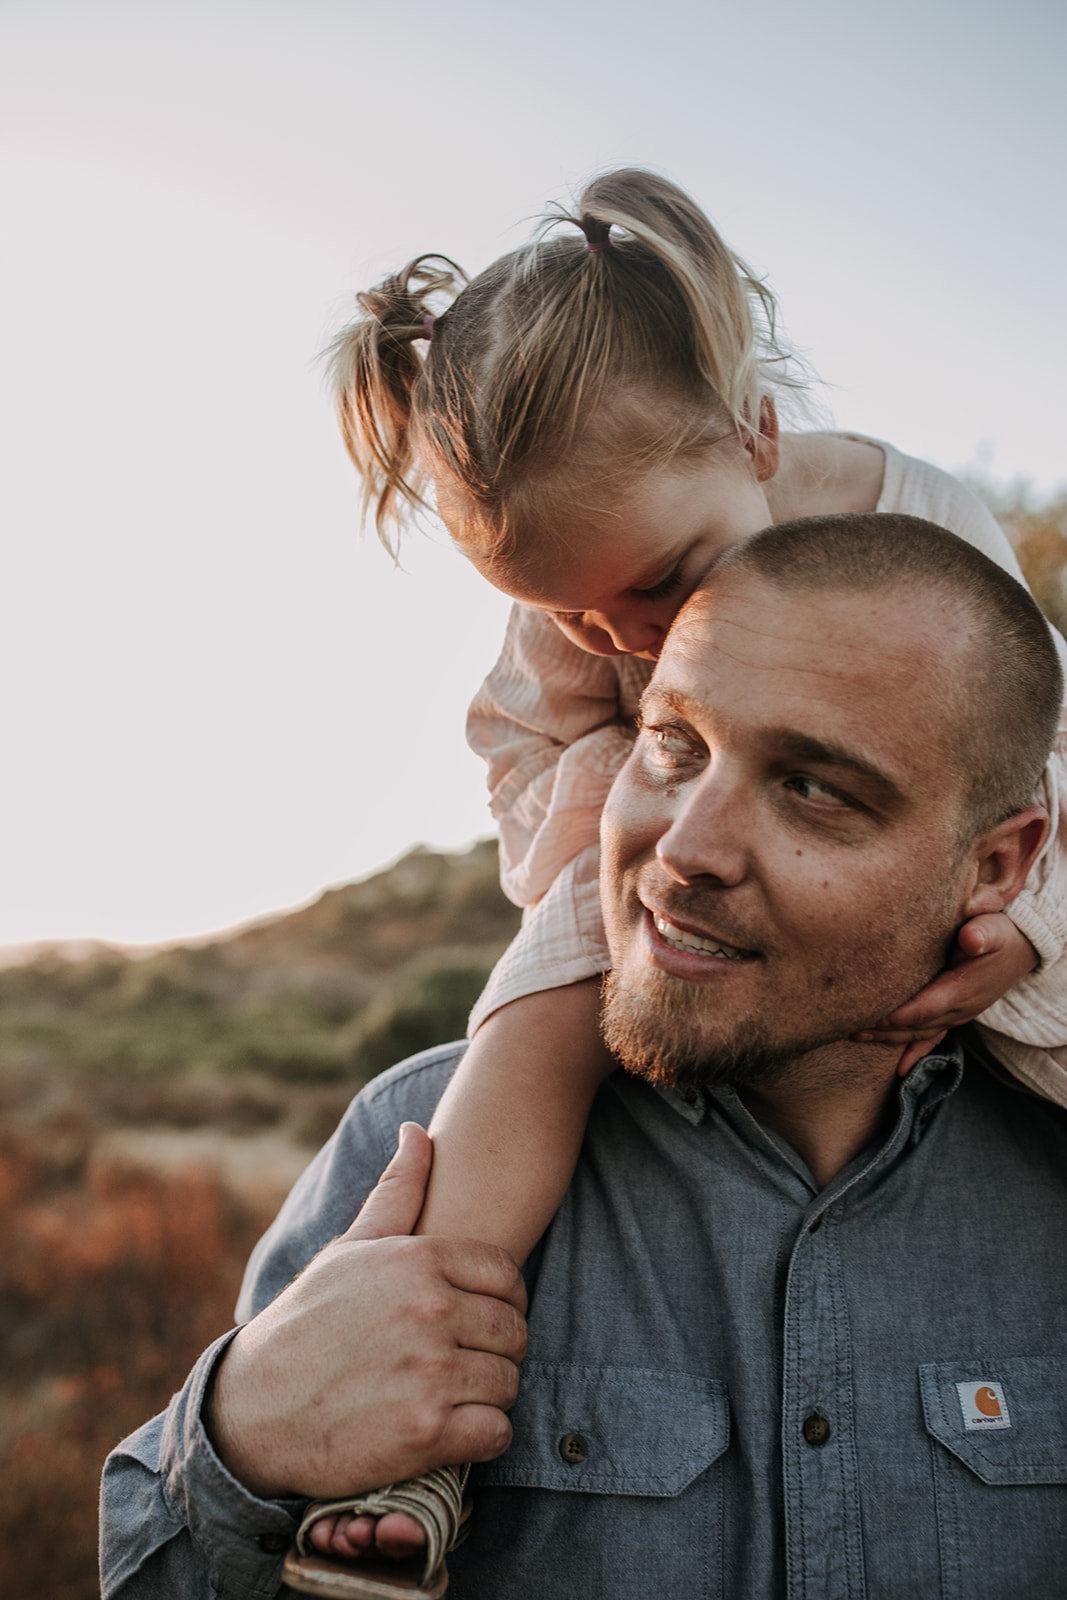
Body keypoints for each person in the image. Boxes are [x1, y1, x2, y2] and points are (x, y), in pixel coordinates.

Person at [300, 168, 1067, 1575]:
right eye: (572, 615)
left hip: (971, 875)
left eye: (653, 587)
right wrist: (623, 792)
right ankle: (410, 1440)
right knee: (529, 1035)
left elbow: (1032, 745)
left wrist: (1024, 917)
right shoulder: (594, 600)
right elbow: (520, 762)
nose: (627, 638)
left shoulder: (927, 524)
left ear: (756, 435)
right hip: (619, 869)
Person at [101, 513, 1067, 1599]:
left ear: (997, 865)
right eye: (672, 747)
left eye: (812, 788)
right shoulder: (418, 1146)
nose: (683, 848)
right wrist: (239, 1437)